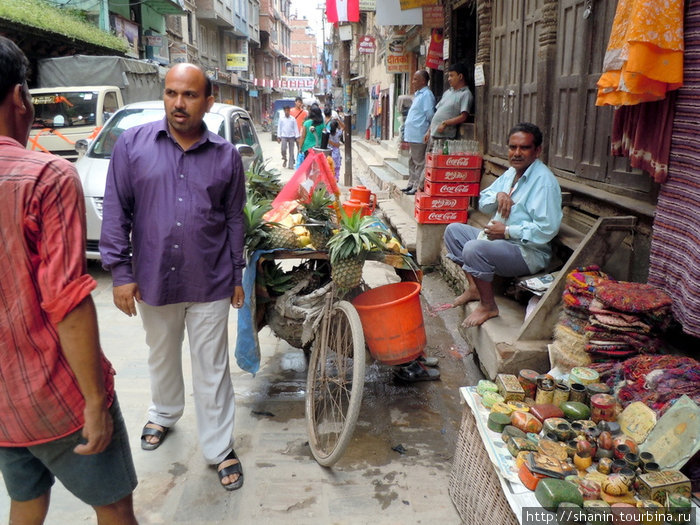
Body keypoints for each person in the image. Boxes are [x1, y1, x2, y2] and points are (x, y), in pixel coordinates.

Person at [0, 36, 138, 524]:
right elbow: (67, 300)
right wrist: (95, 402)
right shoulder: (46, 176)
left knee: (26, 500)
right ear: (20, 98)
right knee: (115, 504)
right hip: (55, 395)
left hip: (3, 405)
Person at [100, 63, 246, 491]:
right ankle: (163, 413)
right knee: (160, 353)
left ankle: (219, 448)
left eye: (189, 95)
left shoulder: (225, 156)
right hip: (152, 276)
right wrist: (121, 272)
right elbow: (116, 211)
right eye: (171, 93)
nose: (178, 103)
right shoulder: (132, 145)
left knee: (212, 366)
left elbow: (235, 217)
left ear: (208, 100)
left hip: (211, 276)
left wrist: (237, 273)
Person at [444, 123, 562, 327]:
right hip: (497, 241)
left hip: (527, 252)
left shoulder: (543, 182)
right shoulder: (511, 173)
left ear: (537, 151)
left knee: (473, 249)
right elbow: (483, 202)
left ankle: (488, 306)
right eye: (512, 147)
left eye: (524, 148)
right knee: (453, 231)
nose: (516, 153)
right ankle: (474, 288)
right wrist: (498, 195)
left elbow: (547, 230)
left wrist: (507, 232)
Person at [416, 62, 473, 192]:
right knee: (427, 163)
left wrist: (446, 123)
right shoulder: (448, 92)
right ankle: (421, 189)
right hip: (433, 134)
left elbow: (463, 116)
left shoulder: (466, 94)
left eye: (451, 76)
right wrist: (429, 130)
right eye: (448, 76)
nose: (449, 79)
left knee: (436, 166)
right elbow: (437, 113)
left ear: (460, 76)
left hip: (444, 137)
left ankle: (427, 190)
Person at [402, 70, 436, 195]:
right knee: (412, 160)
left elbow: (430, 114)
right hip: (412, 134)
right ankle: (411, 183)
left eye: (416, 79)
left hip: (419, 134)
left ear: (423, 81)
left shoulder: (427, 95)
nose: (413, 82)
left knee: (419, 162)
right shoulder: (418, 95)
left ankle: (416, 186)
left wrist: (428, 130)